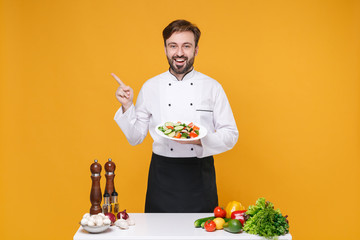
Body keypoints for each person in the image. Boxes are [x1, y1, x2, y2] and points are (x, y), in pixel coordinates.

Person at [113, 19, 238, 213]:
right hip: (162, 175)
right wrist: (127, 106)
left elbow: (231, 134)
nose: (179, 53)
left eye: (186, 46)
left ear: (195, 50)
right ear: (165, 49)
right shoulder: (150, 86)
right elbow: (135, 138)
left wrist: (200, 140)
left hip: (200, 176)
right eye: (173, 46)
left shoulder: (212, 87)